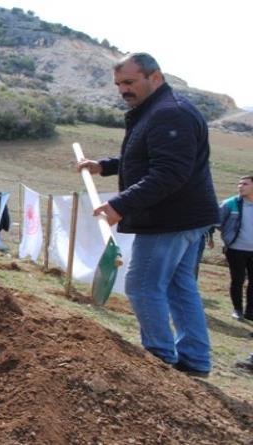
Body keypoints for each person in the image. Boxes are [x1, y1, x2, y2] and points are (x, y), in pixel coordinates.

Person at [77, 53, 219, 377]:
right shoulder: (159, 110)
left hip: (170, 219)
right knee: (180, 287)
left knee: (142, 285)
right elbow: (145, 156)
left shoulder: (170, 113)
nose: (123, 90)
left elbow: (169, 172)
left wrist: (120, 205)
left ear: (155, 77)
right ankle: (195, 360)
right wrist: (105, 166)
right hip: (186, 217)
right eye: (118, 84)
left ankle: (159, 361)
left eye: (129, 82)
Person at [217, 175, 253, 321]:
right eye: (239, 184)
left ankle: (250, 311)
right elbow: (217, 221)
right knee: (237, 280)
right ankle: (237, 310)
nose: (240, 186)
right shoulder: (230, 203)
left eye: (245, 184)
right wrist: (227, 236)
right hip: (235, 249)